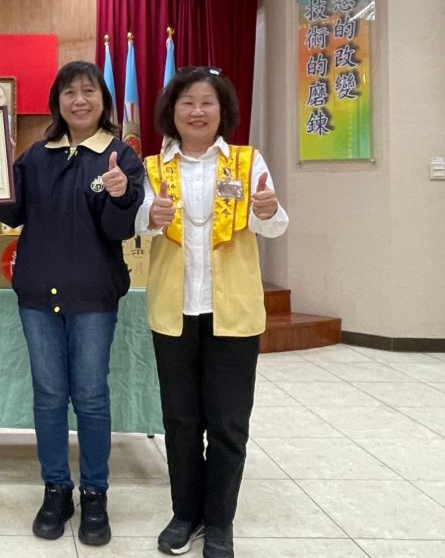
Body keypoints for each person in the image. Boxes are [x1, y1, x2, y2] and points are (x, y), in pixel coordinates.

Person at [0, 61, 144, 547]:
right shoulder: (37, 155)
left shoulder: (120, 155)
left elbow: (120, 230)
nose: (79, 100)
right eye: (70, 92)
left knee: (92, 397)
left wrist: (121, 196)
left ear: (103, 100)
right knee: (49, 395)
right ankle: (56, 488)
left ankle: (94, 493)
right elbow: (10, 210)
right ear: (57, 101)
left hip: (94, 296)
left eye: (89, 91)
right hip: (38, 294)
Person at [135, 67, 288, 558]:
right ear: (172, 111)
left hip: (232, 313)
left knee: (227, 423)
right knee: (180, 421)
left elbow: (273, 225)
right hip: (173, 311)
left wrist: (268, 210)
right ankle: (185, 514)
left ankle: (219, 522)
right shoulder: (152, 167)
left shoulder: (247, 161)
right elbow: (139, 226)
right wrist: (150, 216)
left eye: (207, 102)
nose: (197, 111)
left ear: (223, 112)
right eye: (187, 102)